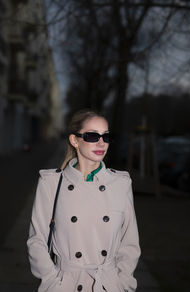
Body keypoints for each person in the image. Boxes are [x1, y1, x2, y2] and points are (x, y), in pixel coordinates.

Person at [27, 109, 141, 292]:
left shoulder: (121, 183)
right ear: (75, 140)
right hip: (66, 285)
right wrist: (53, 284)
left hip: (109, 286)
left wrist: (123, 283)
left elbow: (130, 243)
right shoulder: (51, 183)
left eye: (106, 136)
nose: (101, 143)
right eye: (92, 136)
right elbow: (37, 241)